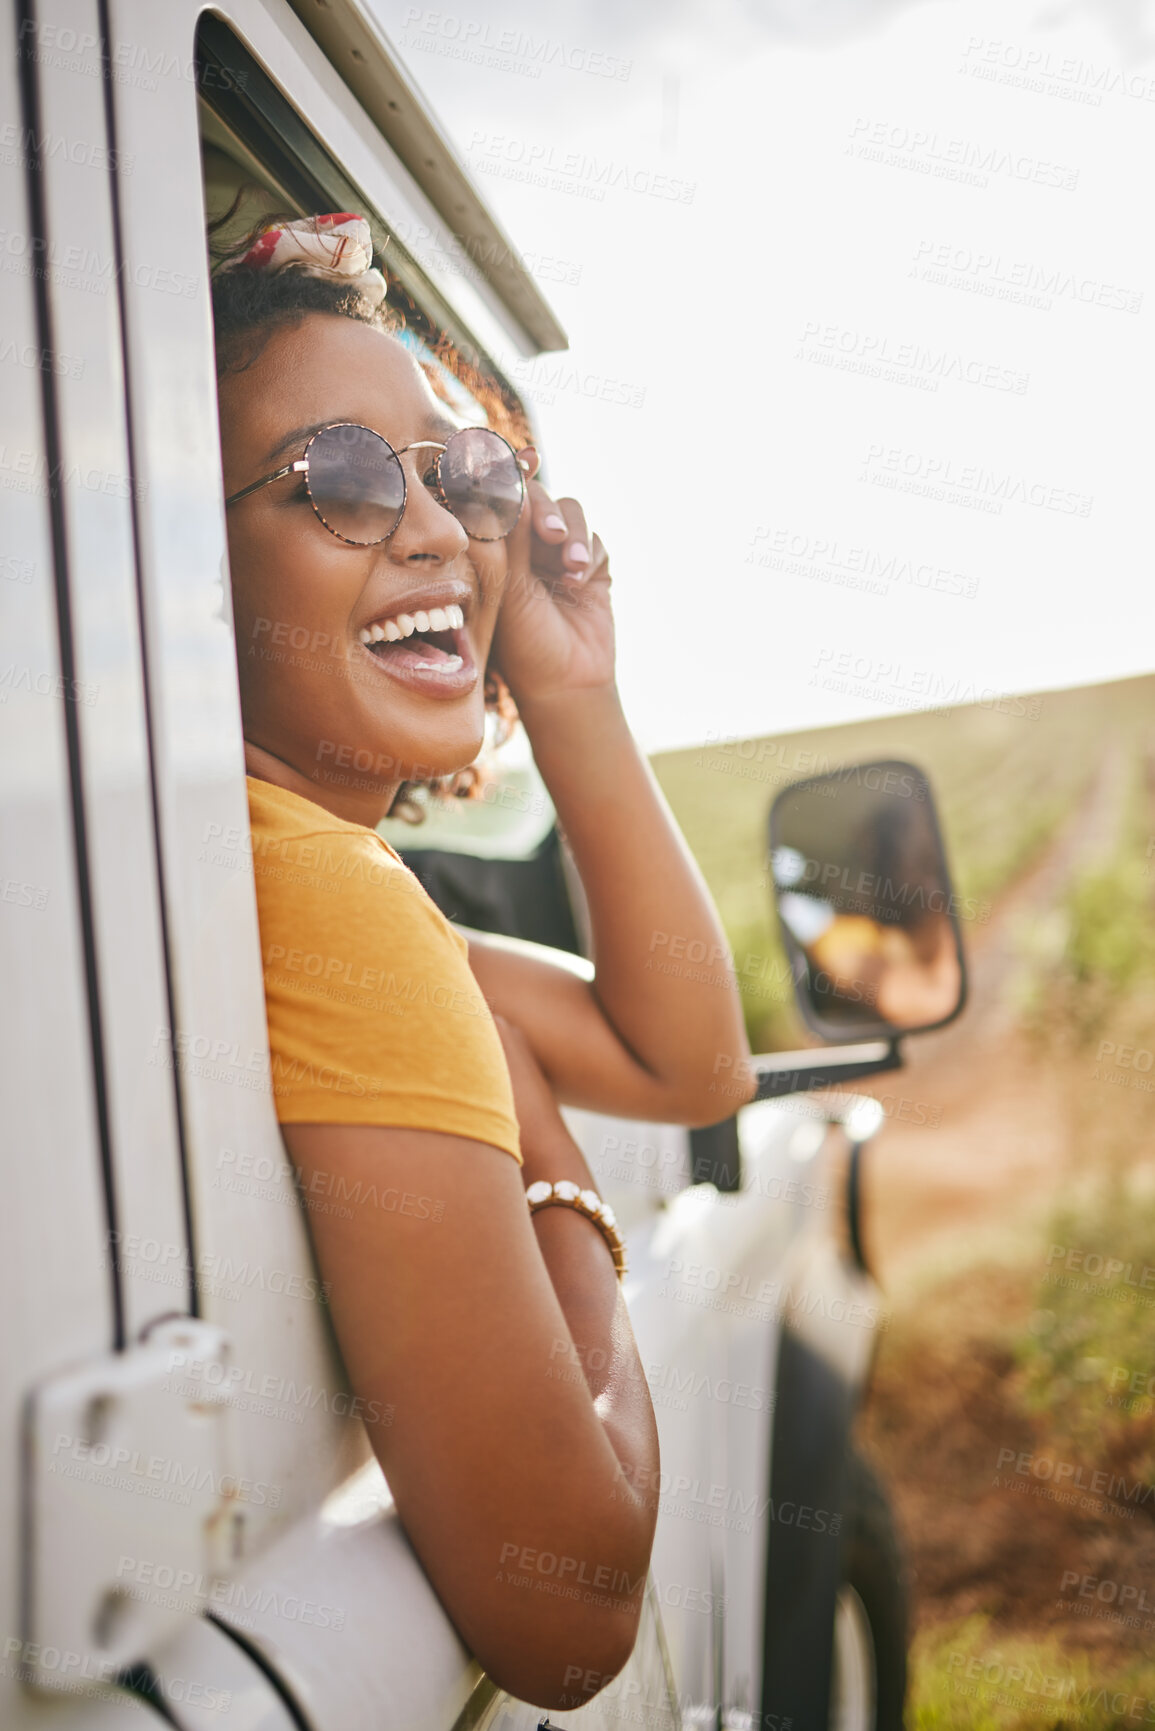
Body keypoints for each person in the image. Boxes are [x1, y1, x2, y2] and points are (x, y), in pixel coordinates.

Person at [212, 212, 754, 1711]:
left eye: (463, 476)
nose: (441, 530)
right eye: (337, 477)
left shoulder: (284, 869)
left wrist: (570, 687)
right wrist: (556, 1181)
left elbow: (685, 1059)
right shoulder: (324, 896)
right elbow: (570, 1612)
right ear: (181, 577)